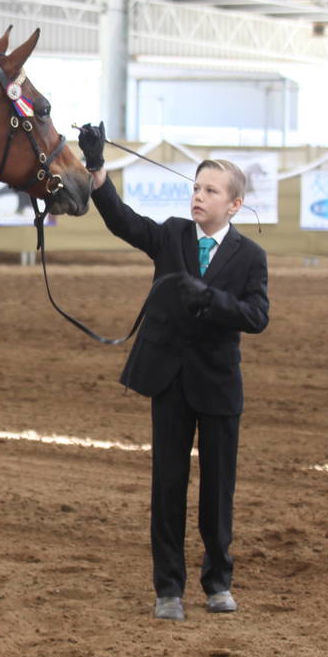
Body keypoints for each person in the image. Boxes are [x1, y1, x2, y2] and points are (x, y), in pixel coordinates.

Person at [78, 123, 269, 621]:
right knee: (167, 487)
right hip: (169, 381)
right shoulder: (170, 235)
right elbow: (122, 221)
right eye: (196, 188)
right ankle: (168, 589)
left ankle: (218, 582)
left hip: (219, 385)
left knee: (217, 490)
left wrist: (213, 299)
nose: (198, 197)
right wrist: (97, 170)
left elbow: (257, 316)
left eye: (210, 190)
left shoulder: (251, 256)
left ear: (233, 204)